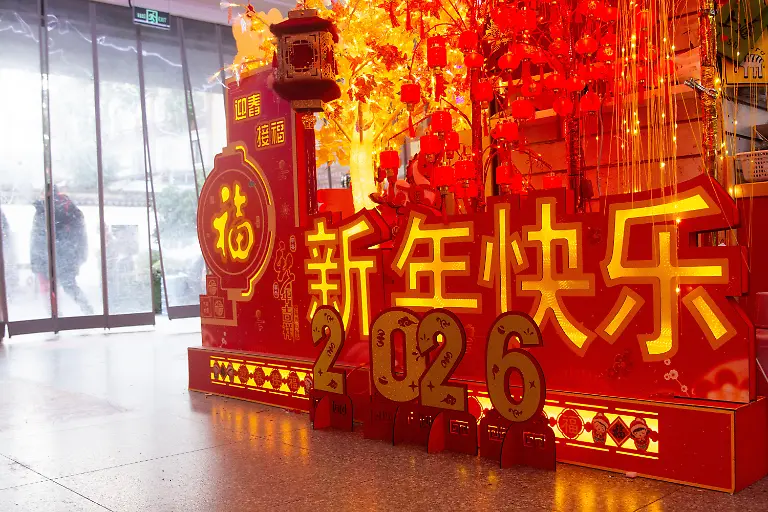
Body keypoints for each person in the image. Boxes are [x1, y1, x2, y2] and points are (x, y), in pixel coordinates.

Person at [30, 185, 93, 315]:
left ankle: (56, 318)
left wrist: (35, 261)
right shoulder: (69, 208)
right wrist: (79, 255)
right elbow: (79, 235)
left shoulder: (43, 210)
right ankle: (88, 311)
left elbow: (36, 238)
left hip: (47, 256)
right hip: (66, 256)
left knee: (48, 290)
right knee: (69, 286)